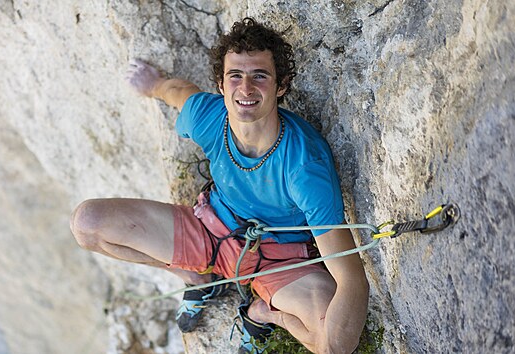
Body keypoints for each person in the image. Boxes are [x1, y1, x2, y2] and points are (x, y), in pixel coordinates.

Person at [70, 17, 369, 353]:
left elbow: (350, 276)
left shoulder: (303, 166)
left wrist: (336, 347)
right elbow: (178, 92)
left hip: (281, 261)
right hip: (210, 229)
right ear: (221, 83)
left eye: (260, 76)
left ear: (281, 85)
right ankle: (197, 278)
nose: (245, 89)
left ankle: (265, 314)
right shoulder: (209, 118)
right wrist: (152, 84)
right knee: (87, 224)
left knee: (333, 341)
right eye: (235, 76)